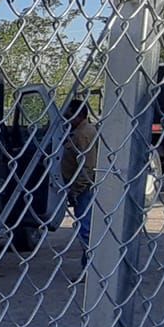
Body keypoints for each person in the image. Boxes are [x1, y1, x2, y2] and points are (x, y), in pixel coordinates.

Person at [60, 100, 98, 275]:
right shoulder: (82, 131)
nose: (66, 118)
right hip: (84, 186)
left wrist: (77, 189)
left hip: (85, 188)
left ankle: (90, 270)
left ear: (79, 115)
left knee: (86, 230)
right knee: (87, 228)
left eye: (69, 115)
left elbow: (87, 165)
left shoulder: (82, 134)